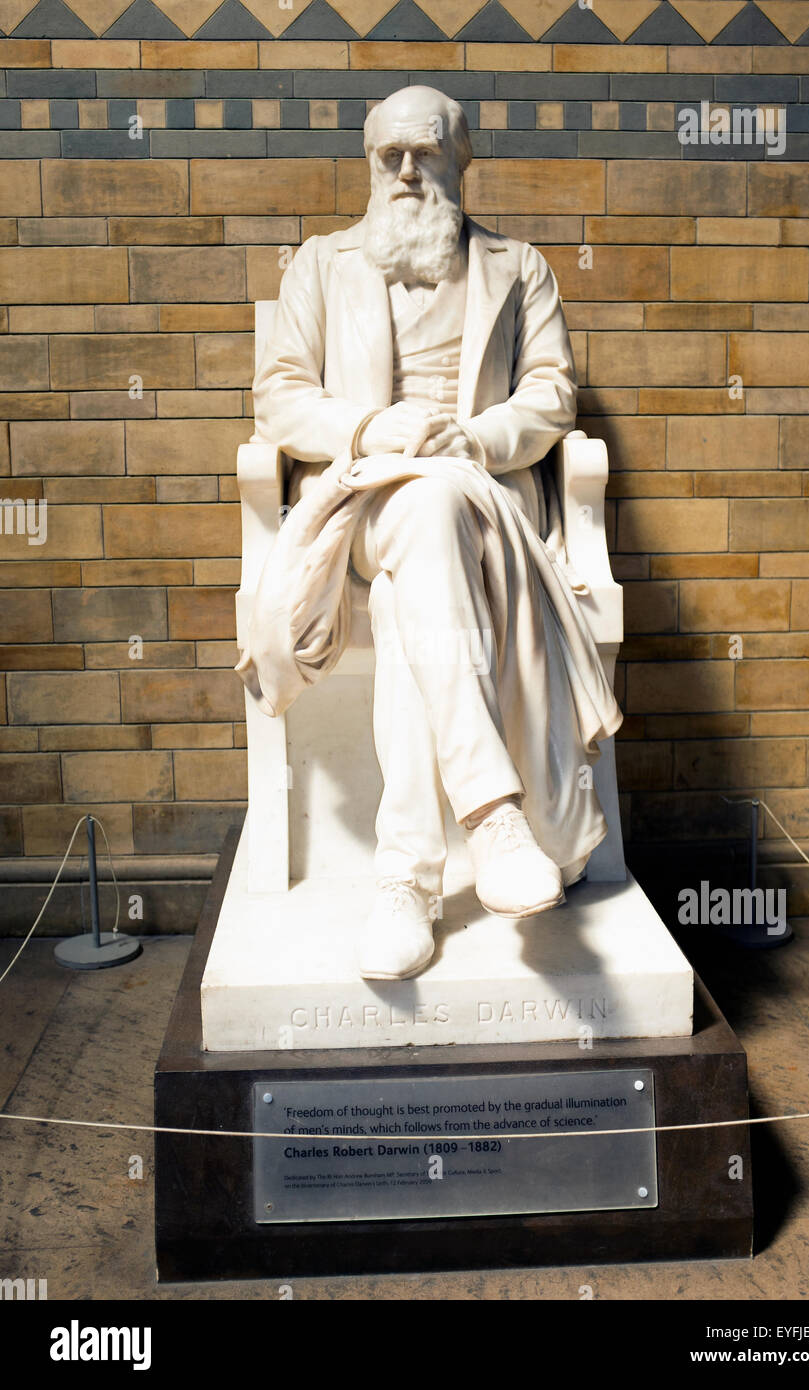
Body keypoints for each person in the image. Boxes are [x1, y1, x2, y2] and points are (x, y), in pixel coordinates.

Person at [242, 85, 622, 980]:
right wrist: (372, 431)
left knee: (433, 528)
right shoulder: (321, 265)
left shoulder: (517, 266)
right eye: (389, 156)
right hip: (363, 500)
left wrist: (479, 440)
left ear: (461, 158)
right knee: (415, 509)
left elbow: (551, 393)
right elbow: (281, 394)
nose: (407, 171)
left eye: (425, 153)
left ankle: (406, 881)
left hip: (480, 504)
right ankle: (496, 821)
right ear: (369, 163)